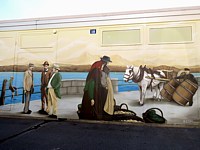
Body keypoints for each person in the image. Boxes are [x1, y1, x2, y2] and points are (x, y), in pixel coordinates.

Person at [79, 55, 115, 120]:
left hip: (99, 86)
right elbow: (96, 76)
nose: (107, 63)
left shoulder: (103, 67)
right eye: (107, 62)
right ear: (105, 61)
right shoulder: (97, 66)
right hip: (97, 86)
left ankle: (99, 113)